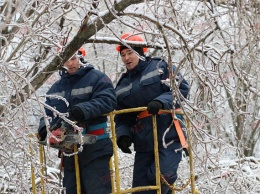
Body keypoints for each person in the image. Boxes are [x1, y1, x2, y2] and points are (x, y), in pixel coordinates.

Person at [114, 33, 190, 194]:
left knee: (163, 177)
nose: (127, 58)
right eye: (123, 54)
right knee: (141, 189)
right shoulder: (122, 85)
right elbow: (122, 117)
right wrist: (123, 135)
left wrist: (161, 102)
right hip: (143, 141)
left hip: (169, 135)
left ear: (141, 52)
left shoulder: (160, 66)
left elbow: (181, 89)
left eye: (130, 53)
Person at [37, 47, 117, 194]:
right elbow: (47, 113)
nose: (70, 63)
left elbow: (109, 100)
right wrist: (44, 127)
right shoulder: (56, 88)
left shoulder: (97, 78)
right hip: (69, 150)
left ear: (81, 57)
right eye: (66, 60)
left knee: (97, 190)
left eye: (73, 58)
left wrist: (82, 110)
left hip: (96, 146)